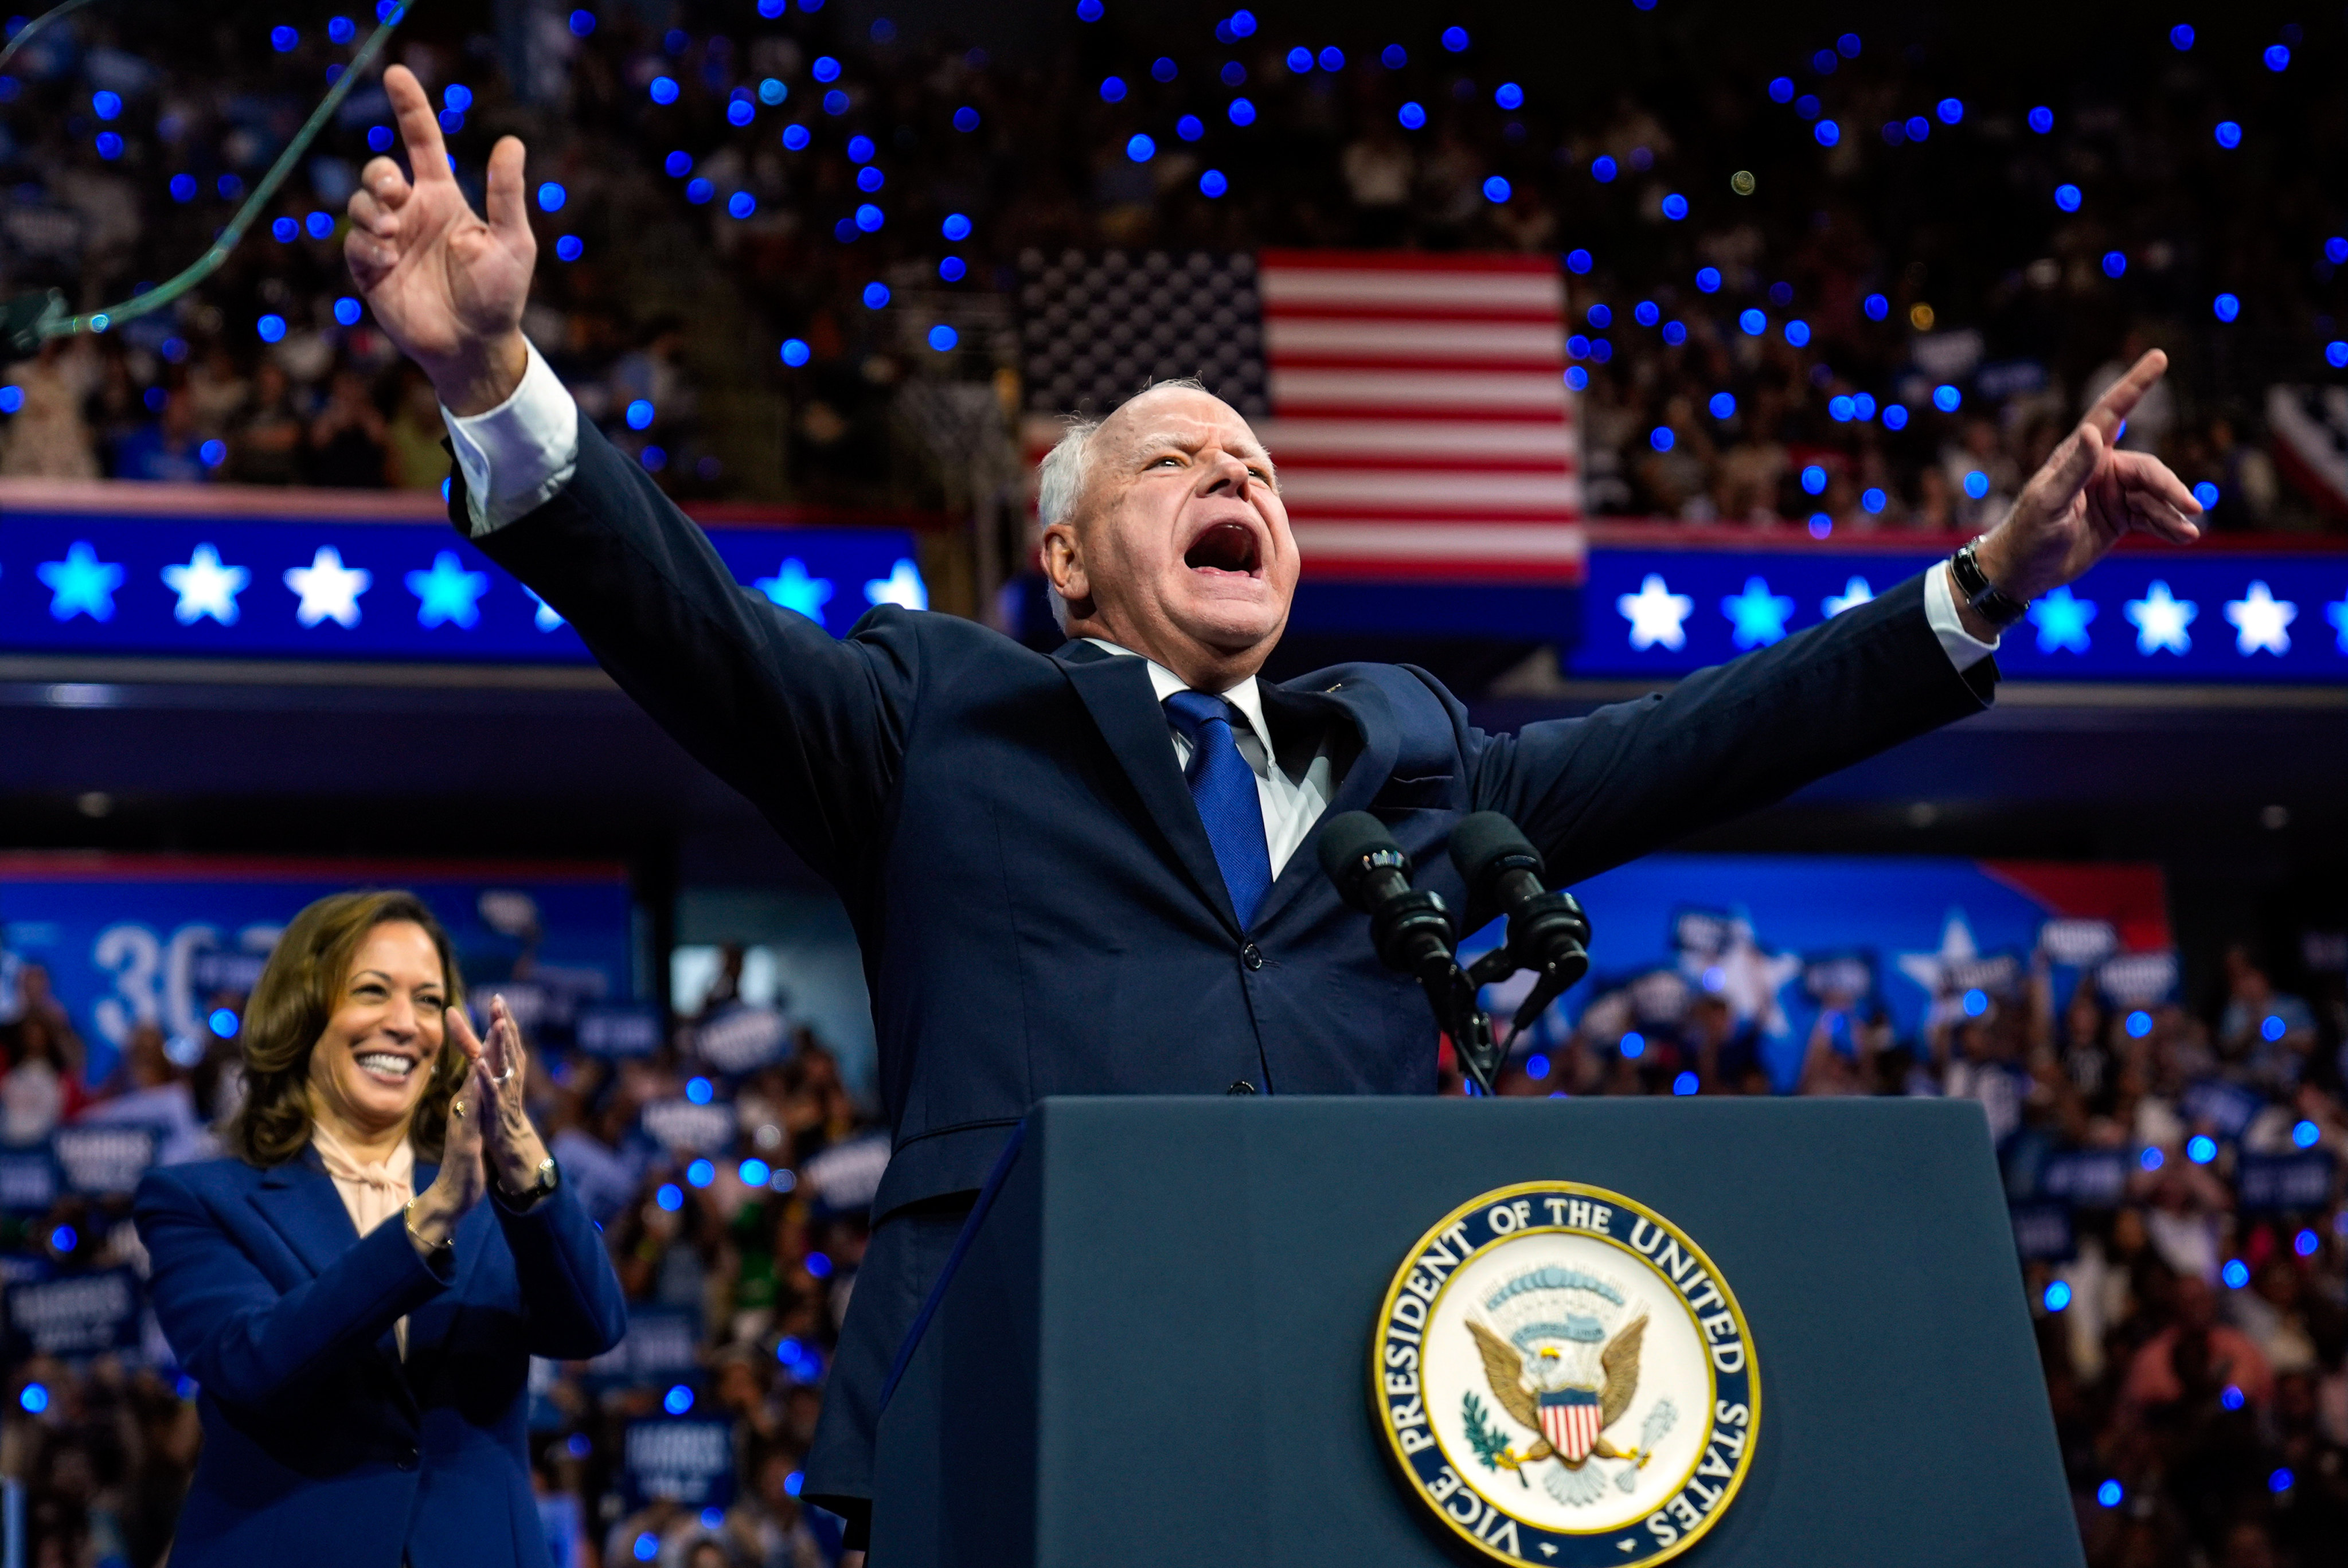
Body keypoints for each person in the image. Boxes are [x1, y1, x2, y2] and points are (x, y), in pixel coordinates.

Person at [342, 63, 2205, 1543]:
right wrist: (492, 377)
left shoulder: (1405, 752)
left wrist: (1976, 583)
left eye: (1255, 461)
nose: (1236, 467)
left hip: (1368, 1419)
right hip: (1022, 1405)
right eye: (1178, 457)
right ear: (1065, 558)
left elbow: (1707, 734)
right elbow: (692, 626)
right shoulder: (941, 712)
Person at [132, 890, 626, 1568]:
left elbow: (591, 1326)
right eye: (372, 991)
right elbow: (255, 1365)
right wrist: (428, 1221)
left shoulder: (499, 1196)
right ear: (302, 1012)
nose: (404, 1023)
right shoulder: (198, 1197)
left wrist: (525, 1160)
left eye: (428, 1000)